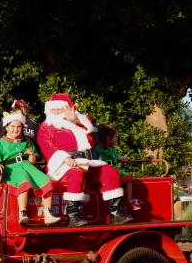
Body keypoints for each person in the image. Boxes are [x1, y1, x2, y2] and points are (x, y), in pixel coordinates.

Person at [37, 93, 133, 226]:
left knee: (111, 172)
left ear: (69, 108)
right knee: (76, 173)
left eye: (60, 109)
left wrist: (75, 120)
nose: (57, 112)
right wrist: (65, 158)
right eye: (53, 110)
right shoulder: (46, 126)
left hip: (89, 161)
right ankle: (73, 216)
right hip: (63, 165)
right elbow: (46, 146)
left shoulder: (83, 120)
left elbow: (93, 138)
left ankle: (116, 214)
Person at [0, 109, 61, 226]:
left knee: (46, 181)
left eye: (18, 127)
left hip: (27, 166)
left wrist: (31, 155)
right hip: (11, 169)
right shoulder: (0, 143)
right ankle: (22, 213)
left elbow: (32, 162)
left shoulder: (26, 142)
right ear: (6, 127)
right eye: (12, 126)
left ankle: (48, 213)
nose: (15, 129)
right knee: (23, 180)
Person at [95, 124, 141, 211]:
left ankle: (129, 202)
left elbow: (115, 156)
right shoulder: (98, 149)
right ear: (108, 138)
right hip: (106, 172)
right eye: (116, 137)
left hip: (115, 169)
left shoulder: (111, 149)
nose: (117, 139)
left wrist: (125, 158)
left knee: (129, 179)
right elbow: (102, 162)